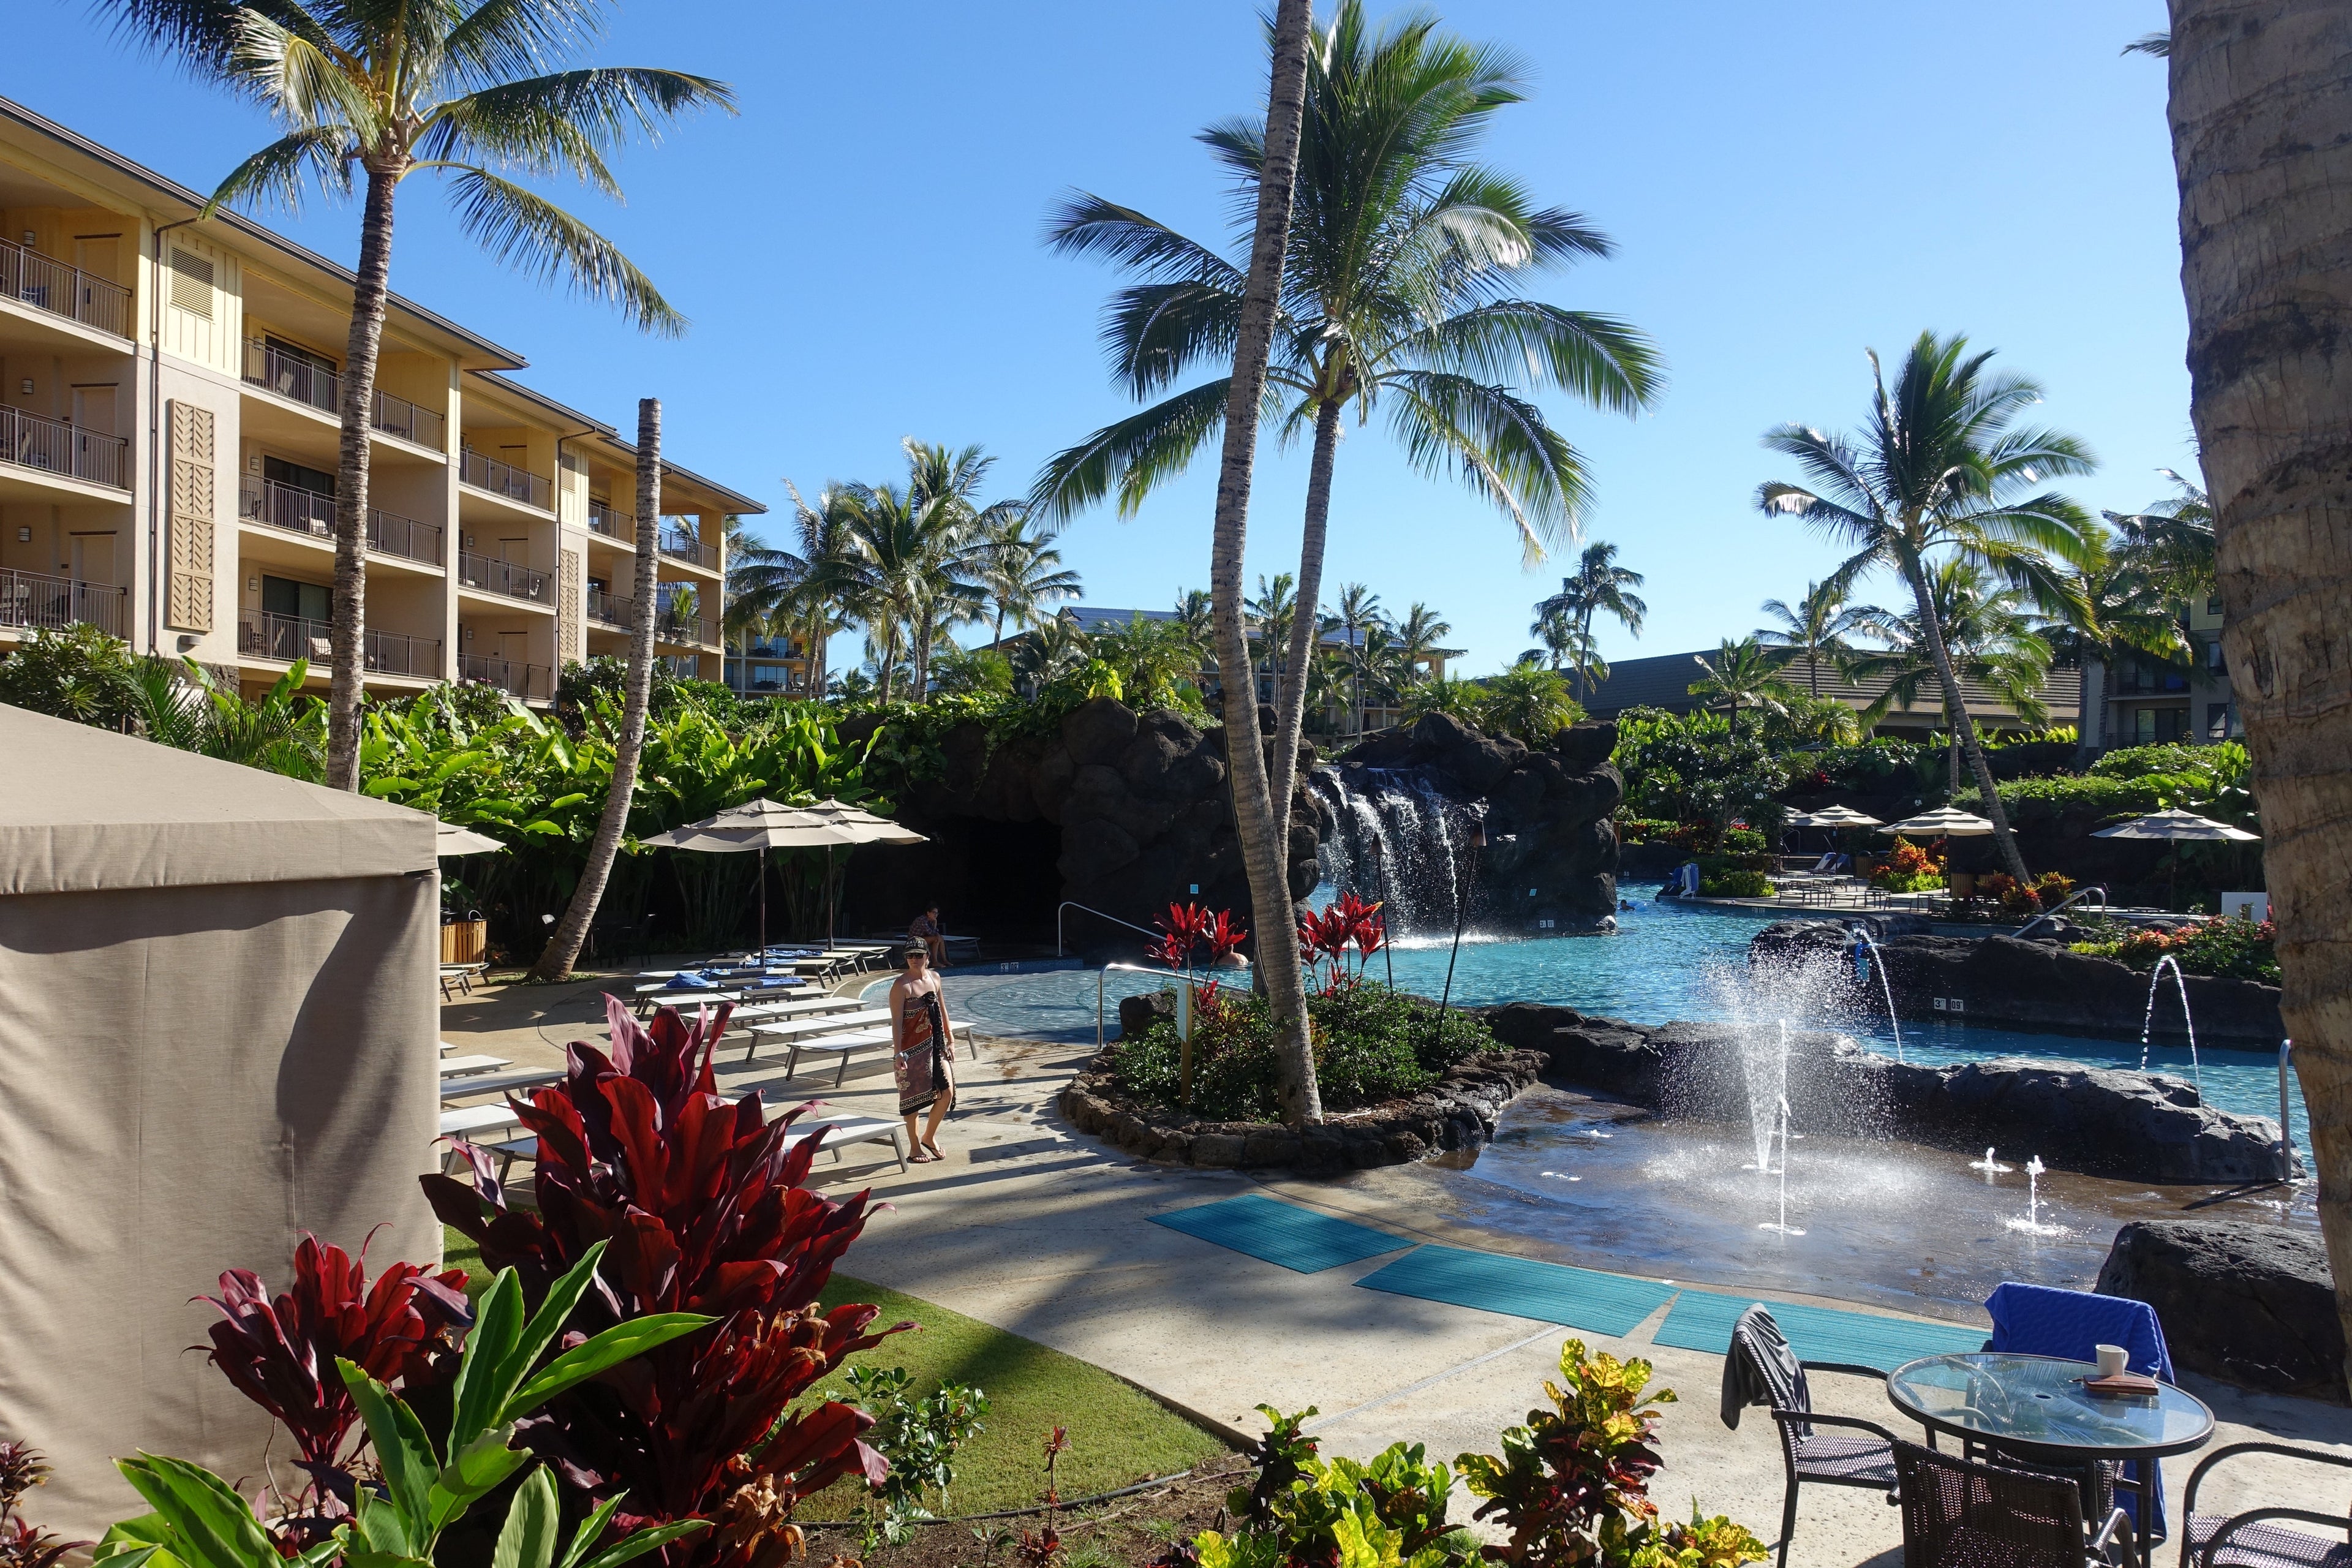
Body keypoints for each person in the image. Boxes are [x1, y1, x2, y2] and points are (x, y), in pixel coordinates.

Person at [890, 943, 955, 1163]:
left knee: (947, 1093)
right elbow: (897, 1022)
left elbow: (943, 1010)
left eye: (918, 954)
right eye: (910, 955)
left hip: (935, 1046)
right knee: (912, 1101)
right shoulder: (901, 985)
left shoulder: (935, 978)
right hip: (909, 1051)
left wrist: (951, 1039)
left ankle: (929, 1137)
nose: (914, 958)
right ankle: (915, 1147)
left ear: (927, 956)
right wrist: (898, 1054)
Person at [907, 903, 946, 968]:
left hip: (922, 938)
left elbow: (934, 932)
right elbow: (931, 933)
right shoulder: (922, 920)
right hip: (914, 940)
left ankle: (944, 960)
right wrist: (935, 923)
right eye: (934, 913)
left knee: (940, 938)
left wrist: (937, 933)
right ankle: (935, 962)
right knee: (937, 939)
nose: (936, 915)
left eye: (937, 913)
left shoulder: (930, 920)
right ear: (928, 913)